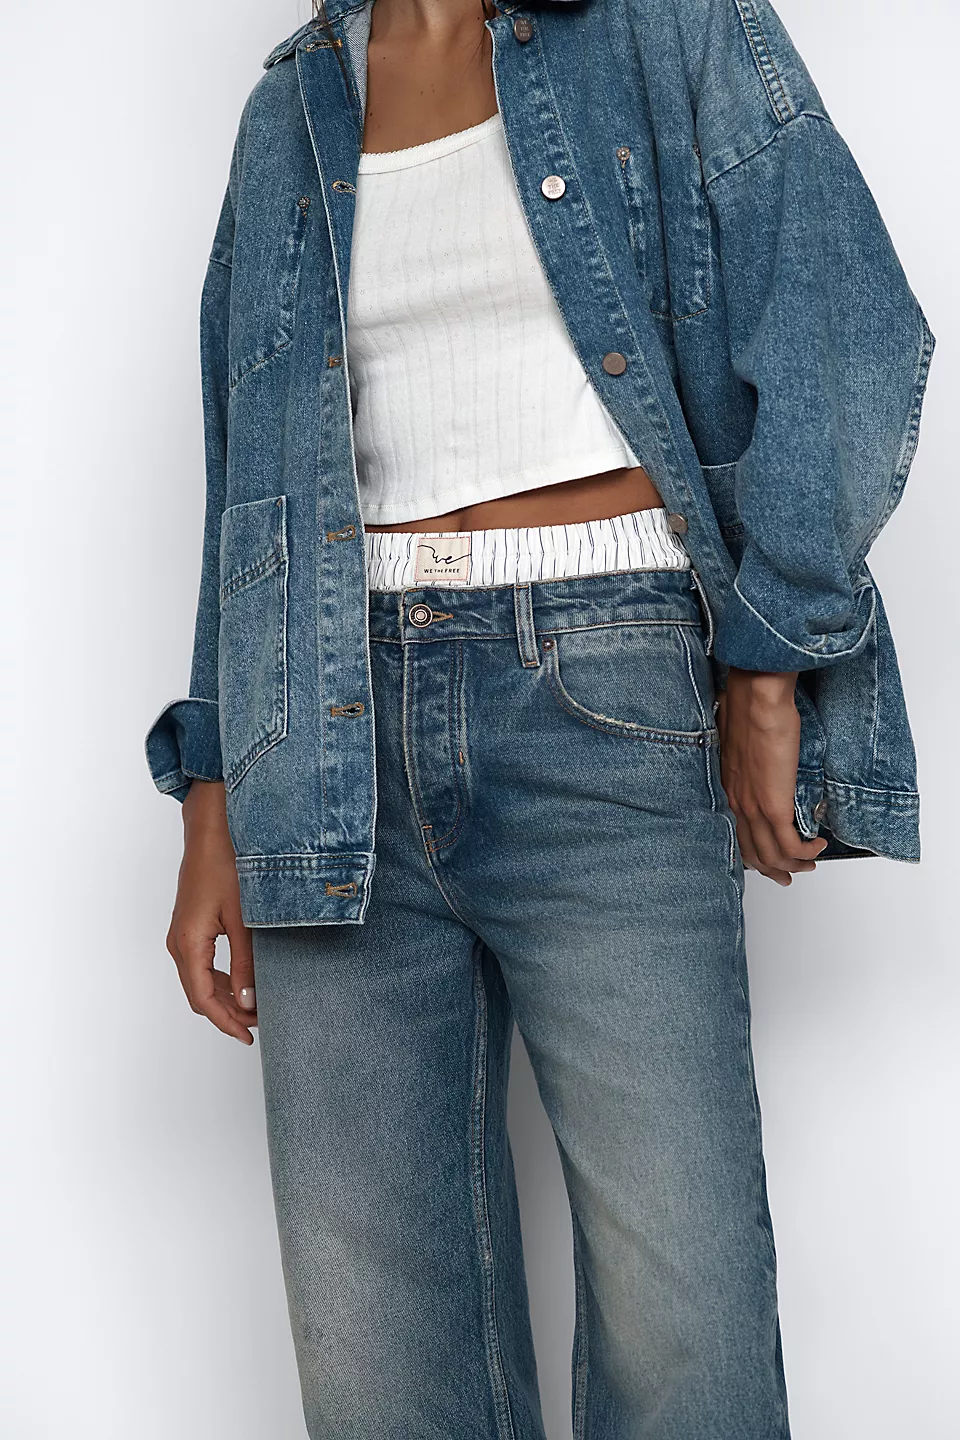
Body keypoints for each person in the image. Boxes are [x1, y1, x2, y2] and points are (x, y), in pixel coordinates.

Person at [144, 1, 933, 1435]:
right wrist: (215, 795)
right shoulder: (293, 105)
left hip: (606, 692)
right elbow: (247, 467)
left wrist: (771, 660)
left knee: (685, 1337)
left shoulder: (664, 27)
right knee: (382, 1371)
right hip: (326, 739)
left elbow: (843, 321)